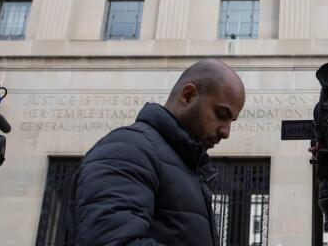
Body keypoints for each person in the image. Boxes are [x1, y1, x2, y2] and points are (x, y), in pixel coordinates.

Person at [70, 59, 246, 245]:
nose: (226, 132)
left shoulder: (186, 167)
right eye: (221, 115)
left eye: (231, 121)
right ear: (188, 96)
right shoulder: (127, 150)